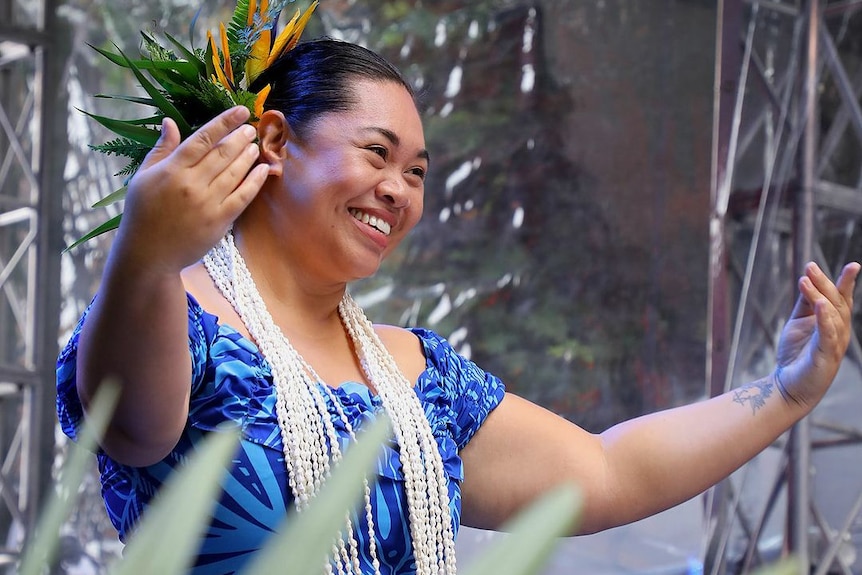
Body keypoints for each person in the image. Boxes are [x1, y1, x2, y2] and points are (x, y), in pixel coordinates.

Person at [56, 33, 860, 575]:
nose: (398, 190)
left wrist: (784, 391)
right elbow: (134, 421)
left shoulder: (416, 376)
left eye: (418, 172)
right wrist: (146, 248)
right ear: (274, 141)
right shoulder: (172, 311)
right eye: (377, 153)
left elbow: (610, 470)